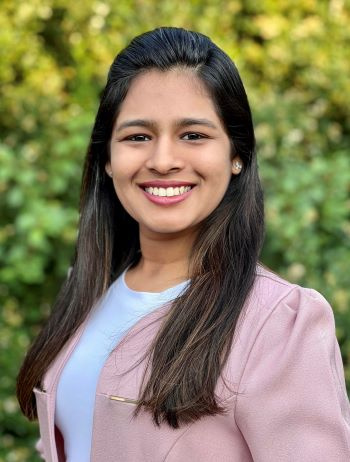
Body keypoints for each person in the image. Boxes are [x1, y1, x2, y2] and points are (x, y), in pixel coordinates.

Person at [17, 27, 350, 461]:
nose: (163, 160)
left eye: (193, 135)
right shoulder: (89, 291)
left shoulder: (277, 324)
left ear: (237, 154)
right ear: (107, 159)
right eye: (138, 136)